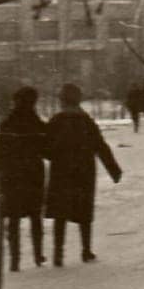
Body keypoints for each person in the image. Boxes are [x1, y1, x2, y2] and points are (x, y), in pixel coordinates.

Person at [43, 83, 123, 266]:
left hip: (61, 171)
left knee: (60, 214)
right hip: (83, 171)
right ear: (78, 100)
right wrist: (114, 170)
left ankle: (58, 253)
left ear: (62, 101)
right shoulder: (86, 121)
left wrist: (55, 156)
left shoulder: (56, 121)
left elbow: (45, 147)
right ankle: (86, 250)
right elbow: (101, 146)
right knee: (84, 211)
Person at [0, 86, 48, 271]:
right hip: (32, 175)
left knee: (13, 218)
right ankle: (37, 255)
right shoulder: (37, 125)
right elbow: (48, 150)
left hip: (11, 177)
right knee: (35, 216)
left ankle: (15, 260)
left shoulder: (7, 124)